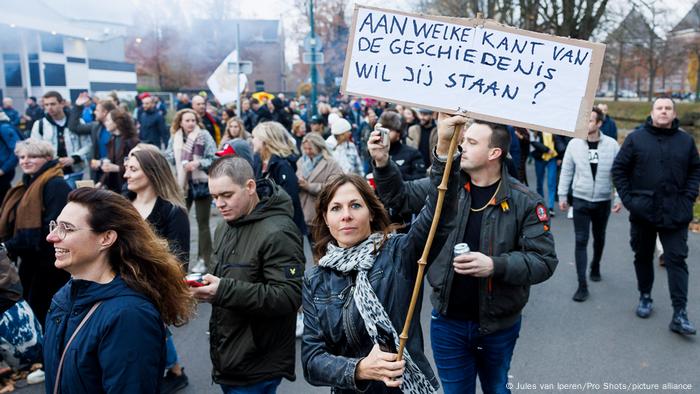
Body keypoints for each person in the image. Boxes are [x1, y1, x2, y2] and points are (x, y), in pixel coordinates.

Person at [371, 119, 558, 394]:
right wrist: (383, 162)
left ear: (494, 153)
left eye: (471, 142)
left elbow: (544, 261)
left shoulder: (526, 201)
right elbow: (399, 197)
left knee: (497, 388)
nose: (462, 146)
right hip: (448, 323)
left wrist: (495, 265)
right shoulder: (448, 187)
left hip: (498, 325)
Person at [302, 114, 464, 393]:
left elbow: (441, 212)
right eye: (336, 209)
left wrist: (445, 149)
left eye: (355, 205)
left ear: (371, 212)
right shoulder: (316, 279)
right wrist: (361, 369)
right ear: (326, 219)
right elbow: (312, 361)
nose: (346, 216)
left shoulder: (400, 251)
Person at [43, 187, 195, 393]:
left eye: (67, 228)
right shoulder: (65, 296)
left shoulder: (130, 316)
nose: (51, 237)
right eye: (55, 225)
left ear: (106, 238)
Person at [190, 156, 305, 393]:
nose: (219, 204)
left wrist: (222, 290)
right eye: (214, 197)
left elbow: (290, 295)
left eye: (226, 195)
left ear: (250, 187)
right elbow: (221, 277)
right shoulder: (224, 225)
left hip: (258, 362)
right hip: (230, 355)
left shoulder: (279, 231)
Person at [612, 97, 700, 335]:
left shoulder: (685, 141)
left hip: (676, 213)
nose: (664, 111)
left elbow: (695, 170)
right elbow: (619, 169)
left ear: (673, 114)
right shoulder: (636, 139)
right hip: (643, 212)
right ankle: (645, 296)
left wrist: (689, 197)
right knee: (642, 255)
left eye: (668, 108)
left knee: (677, 260)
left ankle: (680, 313)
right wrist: (630, 201)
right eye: (660, 108)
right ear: (652, 113)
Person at [124, 145, 191, 393]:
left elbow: (177, 263)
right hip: (119, 287)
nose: (126, 175)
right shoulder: (122, 204)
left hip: (150, 290)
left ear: (151, 173)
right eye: (126, 169)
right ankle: (172, 370)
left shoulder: (172, 212)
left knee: (145, 340)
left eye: (132, 169)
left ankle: (167, 372)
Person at [0, 139, 71, 326]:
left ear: (48, 158)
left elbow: (53, 225)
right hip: (30, 259)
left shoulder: (55, 184)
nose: (25, 161)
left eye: (32, 156)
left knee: (42, 310)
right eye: (22, 157)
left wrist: (8, 246)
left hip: (49, 263)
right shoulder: (28, 183)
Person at [558, 107, 622, 302]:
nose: (586, 125)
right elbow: (567, 171)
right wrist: (562, 195)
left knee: (599, 237)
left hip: (603, 200)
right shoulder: (574, 144)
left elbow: (618, 174)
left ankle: (595, 265)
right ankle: (582, 285)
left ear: (599, 124)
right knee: (581, 240)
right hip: (581, 199)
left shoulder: (611, 145)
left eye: (591, 121)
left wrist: (618, 197)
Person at [165, 109, 216, 271]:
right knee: (178, 221)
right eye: (187, 120)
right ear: (180, 122)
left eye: (193, 120)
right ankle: (178, 259)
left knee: (203, 223)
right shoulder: (175, 137)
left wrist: (197, 164)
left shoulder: (204, 135)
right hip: (182, 185)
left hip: (201, 183)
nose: (190, 123)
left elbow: (214, 157)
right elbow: (168, 157)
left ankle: (204, 260)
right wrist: (180, 160)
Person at [252, 121, 308, 236]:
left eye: (254, 137)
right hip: (268, 225)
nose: (252, 140)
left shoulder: (282, 166)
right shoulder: (259, 162)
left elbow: (290, 200)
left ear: (264, 141)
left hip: (284, 229)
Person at [30, 91, 91, 175]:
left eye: (53, 104)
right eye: (46, 105)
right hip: (50, 171)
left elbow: (88, 145)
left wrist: (74, 158)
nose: (49, 108)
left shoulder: (77, 122)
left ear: (62, 103)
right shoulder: (39, 124)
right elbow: (34, 148)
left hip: (74, 170)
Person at [296, 133, 343, 239]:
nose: (308, 152)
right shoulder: (301, 161)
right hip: (304, 210)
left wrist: (309, 186)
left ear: (318, 147)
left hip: (320, 211)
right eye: (305, 149)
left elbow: (336, 185)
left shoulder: (331, 163)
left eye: (310, 149)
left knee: (322, 245)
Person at [67, 93, 118, 182]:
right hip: (98, 172)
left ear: (105, 112)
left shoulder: (119, 129)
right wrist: (78, 106)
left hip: (115, 172)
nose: (94, 112)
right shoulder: (95, 126)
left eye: (97, 110)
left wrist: (103, 162)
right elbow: (74, 127)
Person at [98, 109, 140, 193]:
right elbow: (111, 164)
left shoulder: (132, 142)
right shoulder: (112, 139)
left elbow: (138, 167)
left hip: (128, 187)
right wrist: (101, 183)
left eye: (108, 120)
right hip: (115, 187)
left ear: (116, 122)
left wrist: (117, 168)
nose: (105, 122)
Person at [377, 111, 426, 181]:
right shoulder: (377, 152)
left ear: (398, 133)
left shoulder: (412, 153)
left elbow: (420, 180)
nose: (385, 134)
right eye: (383, 129)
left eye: (389, 130)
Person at [531, 131, 558, 216]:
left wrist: (560, 156)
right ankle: (541, 206)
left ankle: (550, 207)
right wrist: (546, 149)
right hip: (539, 158)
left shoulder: (554, 128)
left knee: (551, 182)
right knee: (540, 182)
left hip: (552, 158)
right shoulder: (535, 130)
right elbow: (533, 142)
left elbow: (560, 142)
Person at [0, 111, 19, 202]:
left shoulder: (4, 128)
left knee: (4, 200)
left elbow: (17, 150)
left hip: (4, 171)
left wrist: (3, 169)